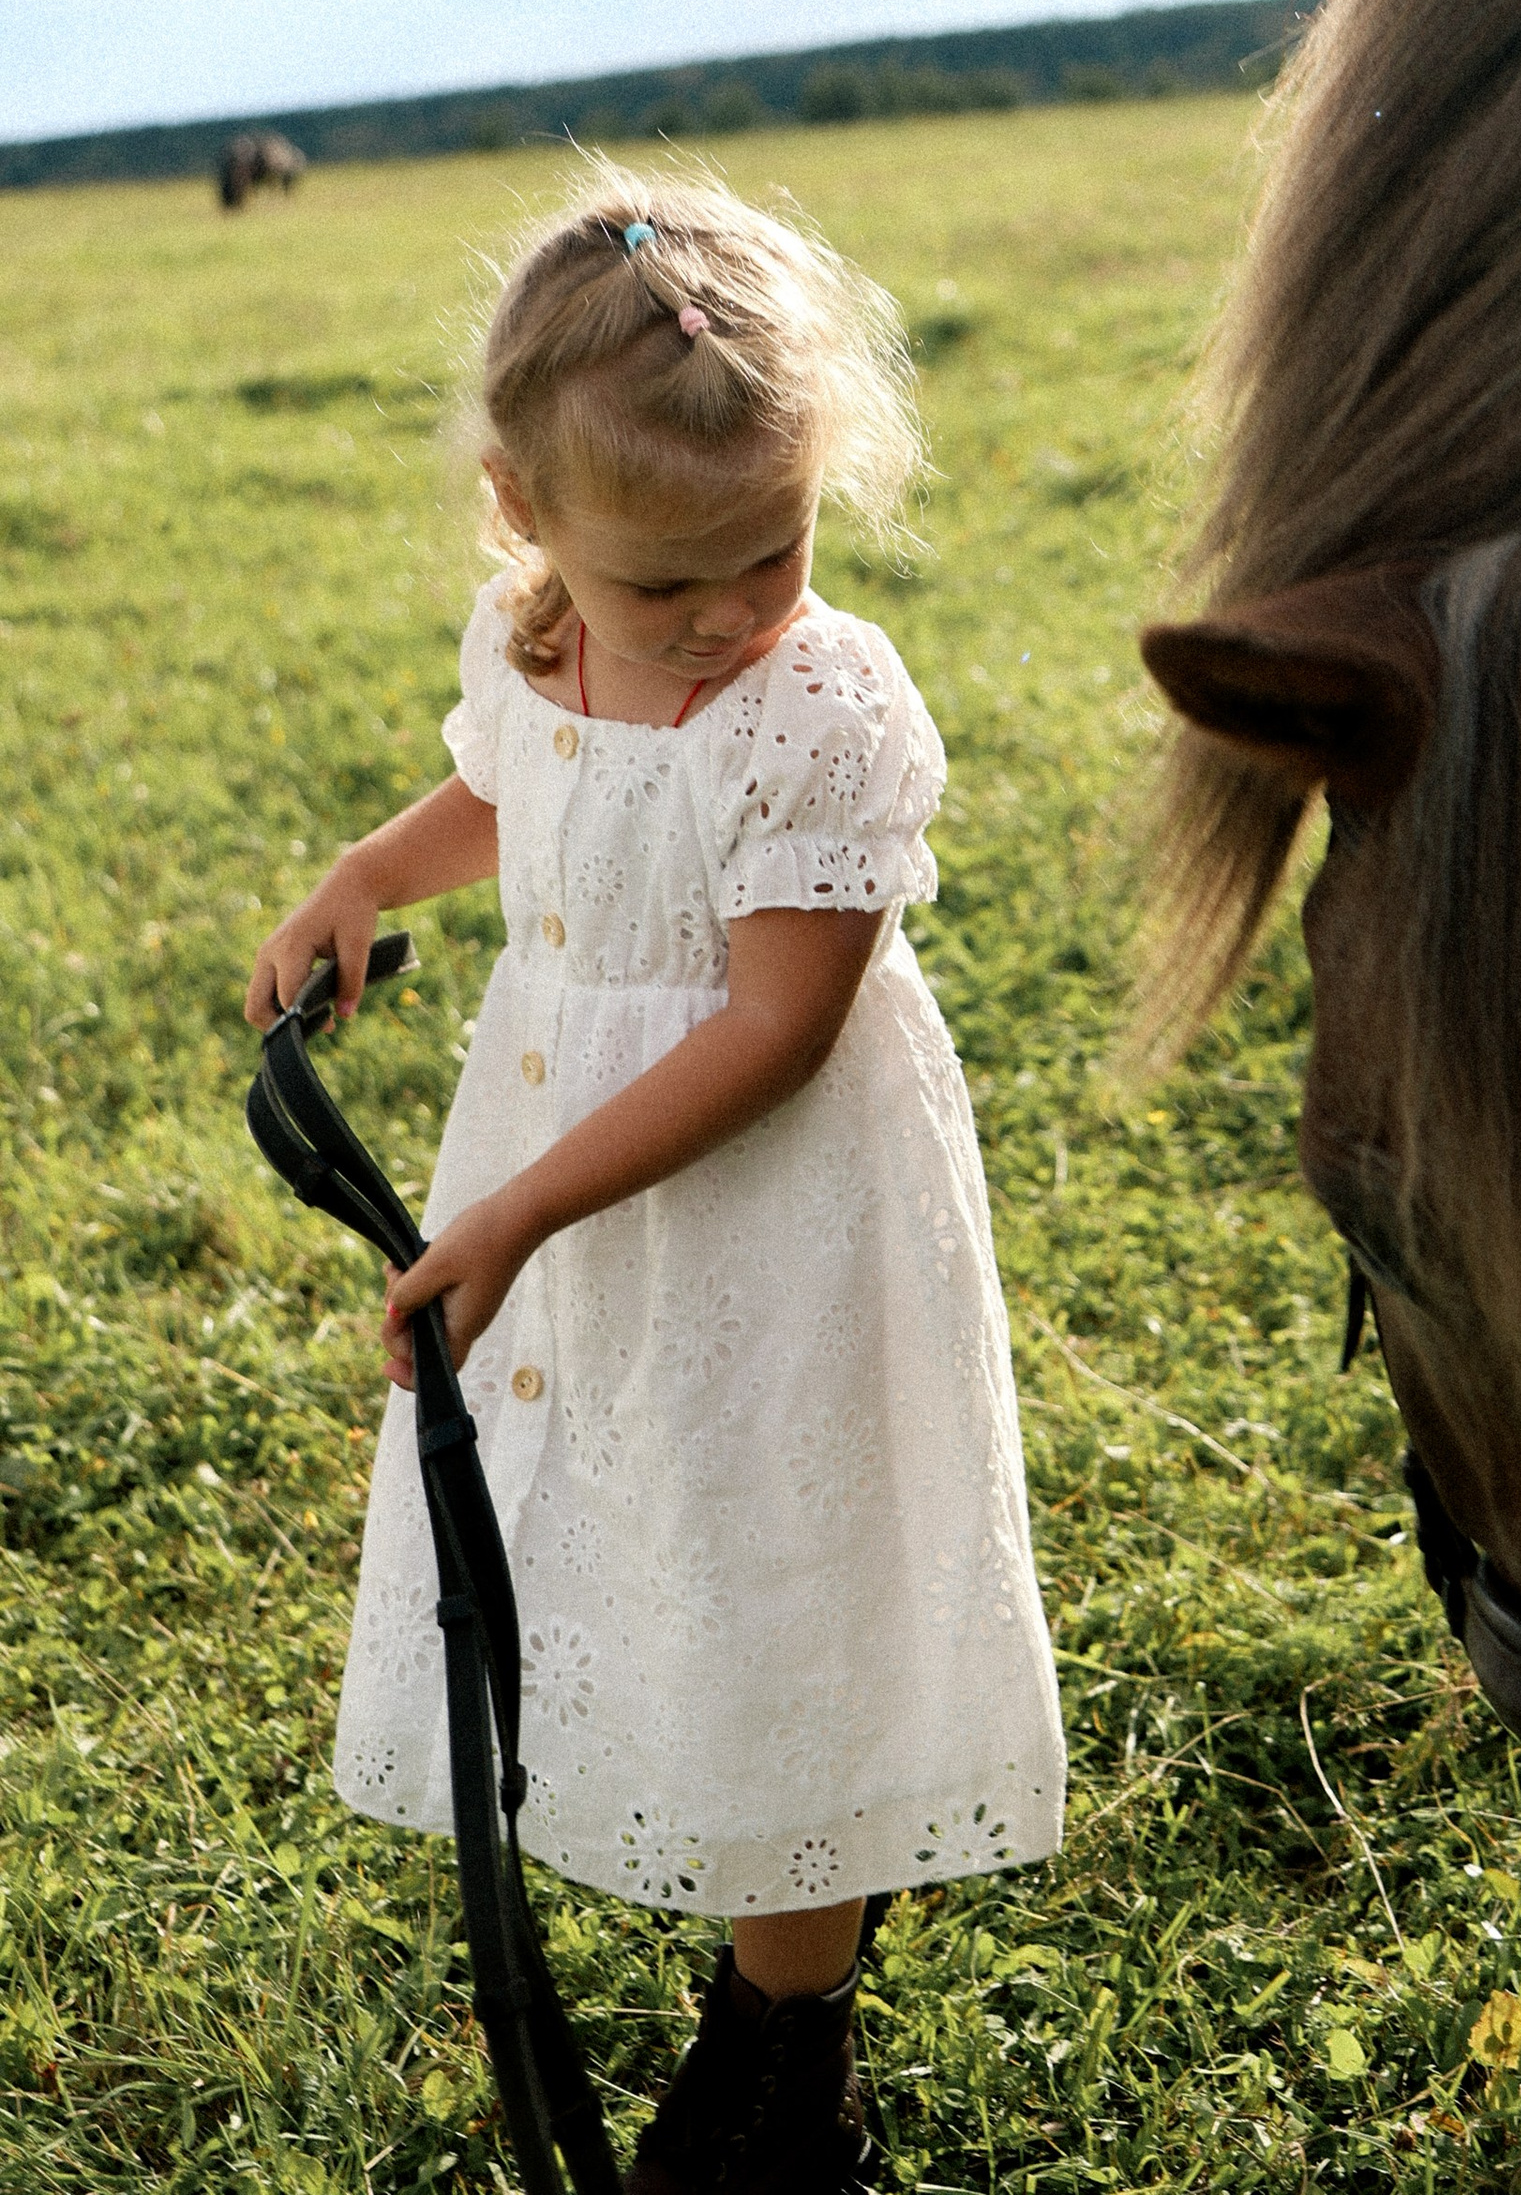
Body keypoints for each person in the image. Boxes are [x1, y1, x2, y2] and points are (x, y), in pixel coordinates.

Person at [246, 169, 1064, 2194]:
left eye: (768, 554)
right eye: (663, 589)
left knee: (785, 1579)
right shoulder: (542, 632)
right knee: (639, 1540)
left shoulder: (823, 704)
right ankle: (731, 1936)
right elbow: (511, 776)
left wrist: (516, 1212)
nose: (721, 621)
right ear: (529, 521)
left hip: (773, 1217)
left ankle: (791, 2048)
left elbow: (774, 1029)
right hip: (570, 1203)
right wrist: (368, 874)